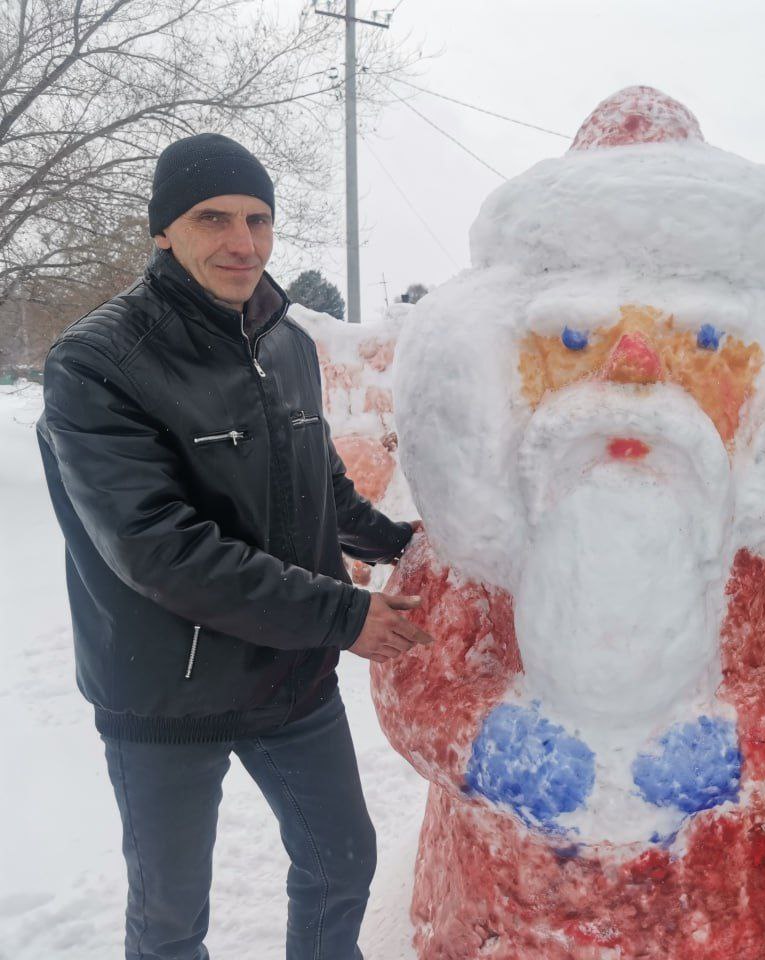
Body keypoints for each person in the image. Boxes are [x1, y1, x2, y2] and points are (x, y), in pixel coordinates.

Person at [37, 133, 432, 960]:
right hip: (166, 695)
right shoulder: (97, 363)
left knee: (340, 865)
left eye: (258, 219)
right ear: (162, 230)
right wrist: (343, 613)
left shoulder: (286, 343)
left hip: (289, 677)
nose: (242, 242)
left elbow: (318, 483)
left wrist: (403, 543)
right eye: (212, 218)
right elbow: (157, 548)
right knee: (171, 918)